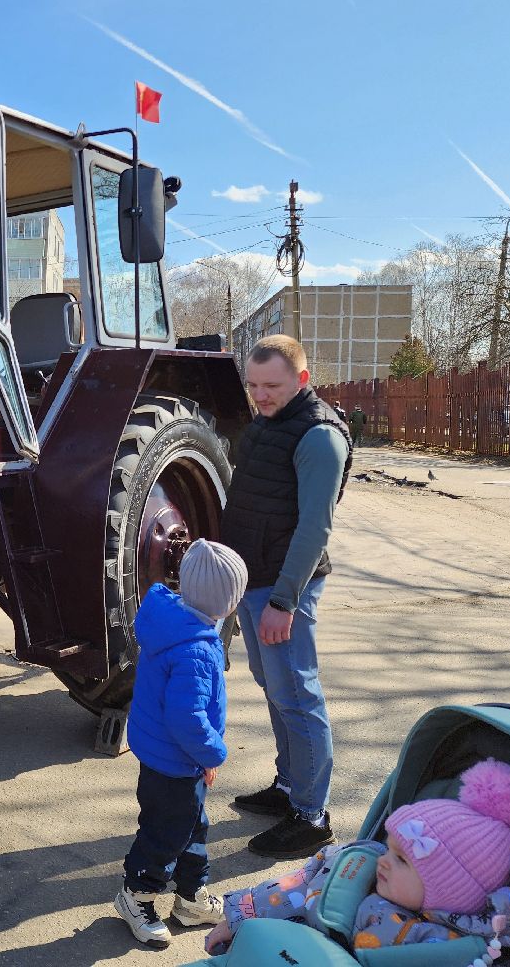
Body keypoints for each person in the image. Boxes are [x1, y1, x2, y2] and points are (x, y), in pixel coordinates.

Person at [203, 759, 510, 956]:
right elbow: (292, 889)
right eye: (393, 849)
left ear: (448, 890)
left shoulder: (464, 950)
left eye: (402, 860)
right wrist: (239, 919)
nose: (385, 859)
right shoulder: (356, 871)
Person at [219, 334, 352, 859]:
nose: (260, 396)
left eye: (271, 386)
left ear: (301, 379)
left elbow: (314, 528)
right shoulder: (267, 423)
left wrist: (284, 601)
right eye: (253, 386)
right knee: (274, 687)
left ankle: (312, 815)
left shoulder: (320, 437)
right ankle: (288, 787)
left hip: (282, 587)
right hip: (254, 581)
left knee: (297, 694)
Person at [113, 539, 249, 949]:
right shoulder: (195, 650)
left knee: (192, 826)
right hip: (177, 760)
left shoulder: (172, 624)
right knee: (165, 835)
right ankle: (136, 895)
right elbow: (186, 718)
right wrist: (213, 753)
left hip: (166, 757)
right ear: (225, 601)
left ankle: (190, 897)